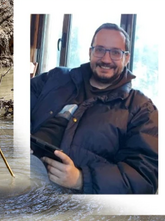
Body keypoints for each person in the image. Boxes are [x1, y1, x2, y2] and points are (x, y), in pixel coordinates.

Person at [30, 23, 158, 194]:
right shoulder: (56, 77)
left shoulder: (142, 109)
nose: (106, 59)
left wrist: (82, 180)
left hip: (63, 200)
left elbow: (145, 177)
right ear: (90, 52)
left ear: (126, 58)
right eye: (100, 50)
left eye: (115, 52)